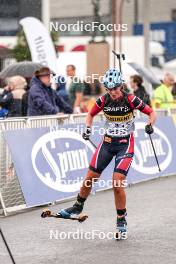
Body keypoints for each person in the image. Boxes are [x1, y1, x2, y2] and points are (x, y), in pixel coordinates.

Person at [57, 69, 156, 239]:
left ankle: (121, 219)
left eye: (116, 88)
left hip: (125, 145)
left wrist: (150, 124)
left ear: (121, 85)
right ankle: (77, 206)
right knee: (90, 178)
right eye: (109, 89)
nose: (113, 92)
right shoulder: (103, 100)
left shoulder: (131, 99)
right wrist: (87, 128)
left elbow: (151, 112)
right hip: (107, 143)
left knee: (117, 184)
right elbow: (90, 114)